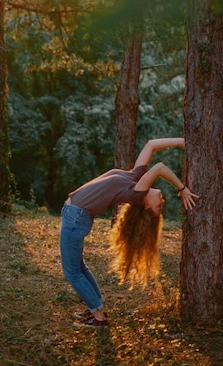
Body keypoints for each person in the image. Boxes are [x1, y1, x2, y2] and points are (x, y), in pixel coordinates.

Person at [59, 137, 198, 328]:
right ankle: (95, 305)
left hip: (75, 218)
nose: (163, 202)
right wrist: (183, 141)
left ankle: (98, 316)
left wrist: (182, 188)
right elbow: (151, 145)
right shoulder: (136, 177)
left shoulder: (137, 192)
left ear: (147, 206)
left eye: (159, 208)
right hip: (76, 216)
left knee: (72, 272)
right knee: (79, 268)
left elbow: (159, 168)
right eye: (161, 206)